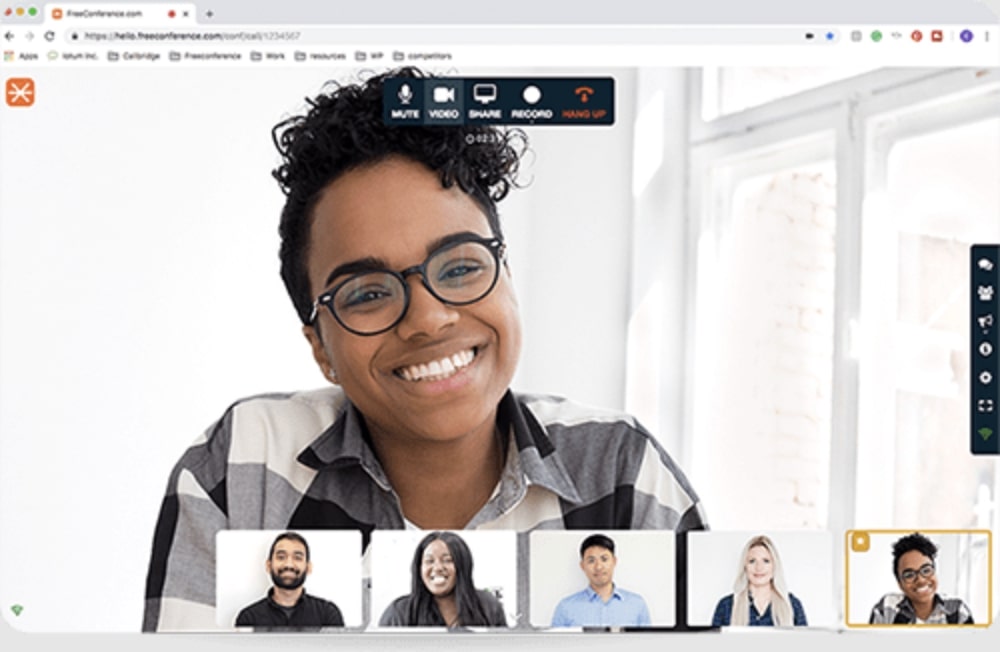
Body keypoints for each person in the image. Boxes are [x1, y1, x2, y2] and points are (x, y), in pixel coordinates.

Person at [143, 66, 707, 632]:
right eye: (367, 293)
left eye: (460, 267)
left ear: (506, 275)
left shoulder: (622, 473)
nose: (428, 318)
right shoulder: (241, 468)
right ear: (321, 347)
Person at [378, 531, 507, 628]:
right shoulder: (399, 613)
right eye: (429, 561)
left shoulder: (488, 606)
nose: (438, 567)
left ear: (463, 565)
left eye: (447, 560)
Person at [233, 531, 344, 630]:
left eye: (297, 558)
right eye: (281, 557)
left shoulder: (327, 614)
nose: (289, 564)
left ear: (308, 567)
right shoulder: (248, 618)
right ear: (268, 565)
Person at [868, 532, 974, 625]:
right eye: (909, 575)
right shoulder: (887, 608)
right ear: (900, 583)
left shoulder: (957, 610)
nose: (921, 580)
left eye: (926, 570)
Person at [550, 533, 651, 627]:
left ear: (614, 561)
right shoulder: (566, 607)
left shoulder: (637, 604)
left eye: (604, 559)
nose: (598, 567)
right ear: (582, 566)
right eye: (591, 561)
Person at [711, 535, 807, 627]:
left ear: (774, 565)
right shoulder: (726, 606)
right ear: (745, 566)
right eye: (752, 561)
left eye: (766, 561)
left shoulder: (792, 605)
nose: (759, 567)